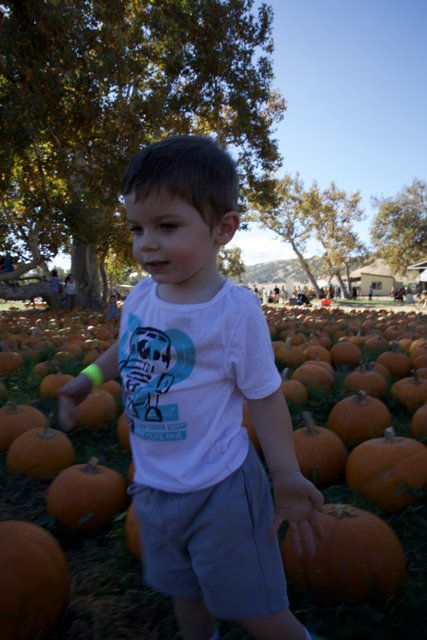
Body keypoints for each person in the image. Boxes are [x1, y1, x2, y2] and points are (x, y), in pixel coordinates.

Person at [58, 135, 324, 640]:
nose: (146, 243)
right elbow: (130, 348)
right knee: (185, 589)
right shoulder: (140, 296)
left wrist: (285, 473)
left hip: (221, 488)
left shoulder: (233, 312)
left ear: (223, 229)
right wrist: (86, 380)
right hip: (155, 485)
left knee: (255, 607)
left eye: (167, 226)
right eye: (137, 228)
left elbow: (265, 397)